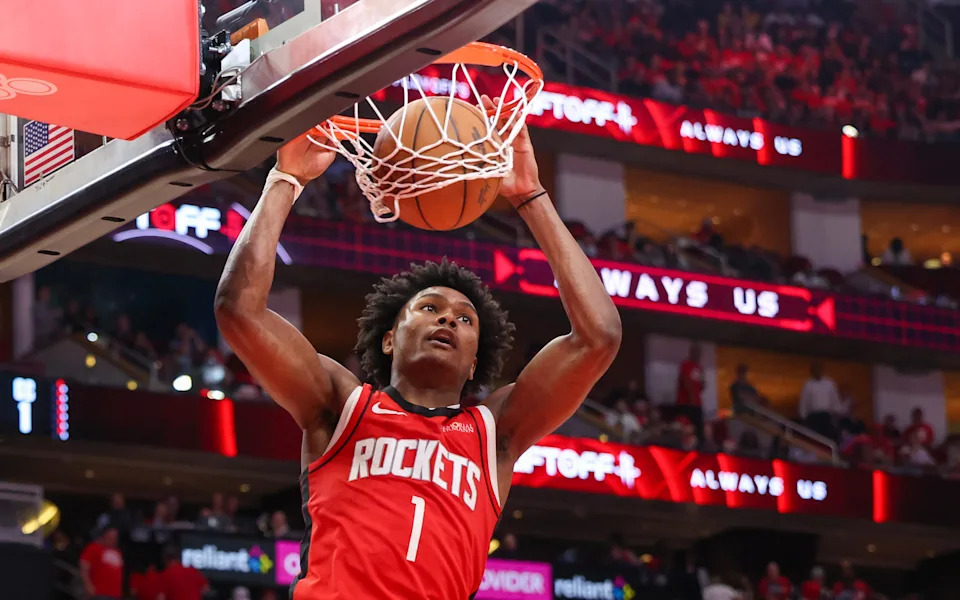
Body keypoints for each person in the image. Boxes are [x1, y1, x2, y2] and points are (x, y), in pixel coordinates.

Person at [214, 114, 622, 598]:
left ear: (474, 363)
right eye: (430, 308)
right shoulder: (342, 404)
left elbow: (598, 336)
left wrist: (530, 197)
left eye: (465, 319)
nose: (448, 319)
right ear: (389, 339)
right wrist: (285, 180)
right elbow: (239, 311)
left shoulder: (494, 433)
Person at [79, 527, 124, 599]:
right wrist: (88, 585)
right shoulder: (94, 548)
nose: (113, 540)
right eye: (110, 537)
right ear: (104, 536)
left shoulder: (118, 551)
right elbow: (84, 567)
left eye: (115, 537)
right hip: (100, 592)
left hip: (116, 594)